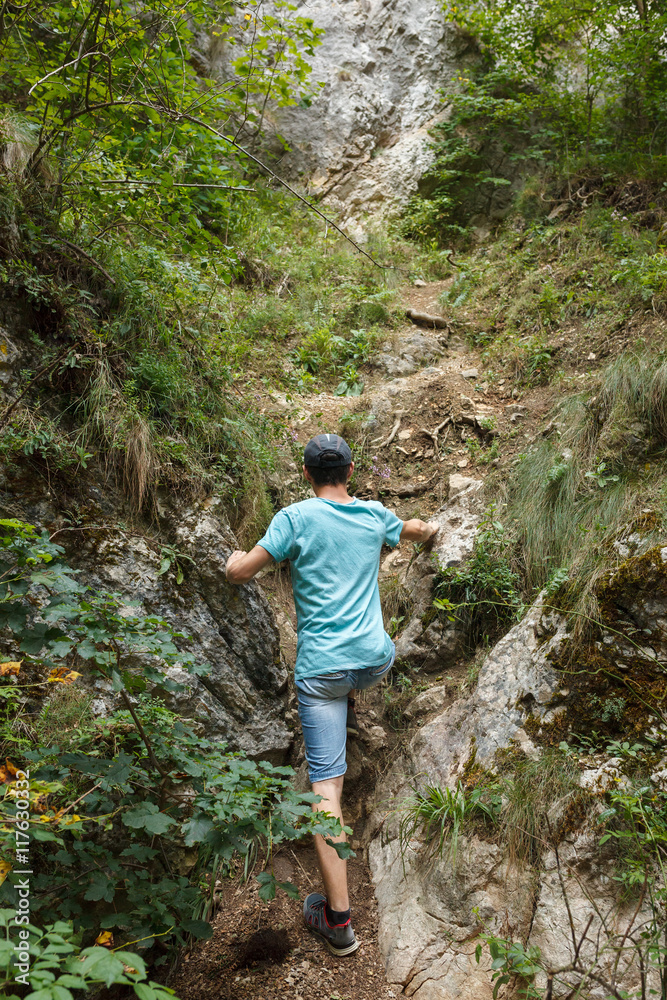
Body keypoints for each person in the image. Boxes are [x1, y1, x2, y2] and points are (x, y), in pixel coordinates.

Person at [225, 433, 439, 956]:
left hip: (322, 673)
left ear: (306, 474)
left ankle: (339, 922)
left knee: (327, 793)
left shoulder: (294, 518)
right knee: (357, 673)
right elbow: (416, 530)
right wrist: (430, 529)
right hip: (374, 661)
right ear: (349, 470)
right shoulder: (373, 515)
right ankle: (354, 699)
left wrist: (233, 557)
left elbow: (240, 572)